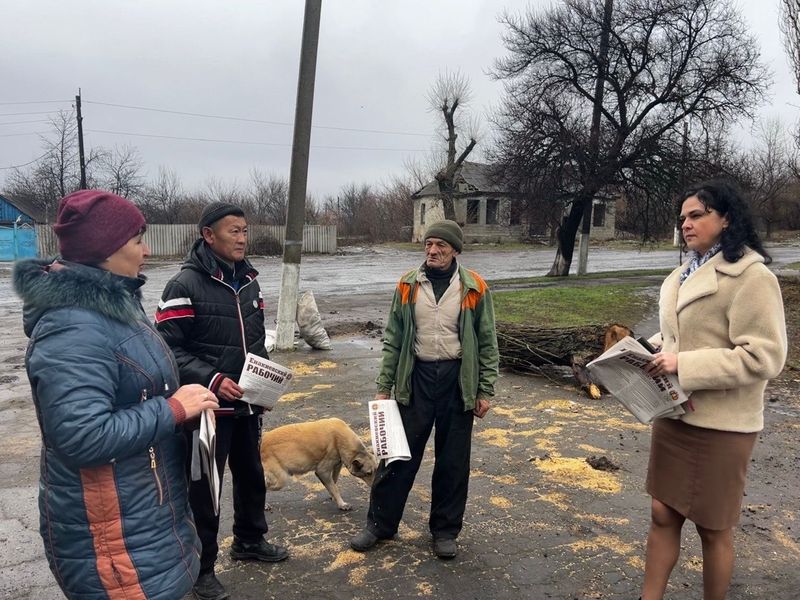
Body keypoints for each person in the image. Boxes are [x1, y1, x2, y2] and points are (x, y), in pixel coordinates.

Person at [13, 189, 218, 600]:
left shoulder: (115, 305)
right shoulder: (73, 327)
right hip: (111, 532)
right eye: (137, 240)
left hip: (146, 511)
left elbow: (139, 388)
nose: (146, 251)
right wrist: (174, 409)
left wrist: (187, 404)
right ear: (105, 249)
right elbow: (80, 435)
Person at [640, 179, 787, 600]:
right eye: (683, 216)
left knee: (712, 527)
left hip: (724, 425)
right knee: (662, 512)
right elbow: (679, 336)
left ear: (725, 218)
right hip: (676, 414)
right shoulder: (683, 273)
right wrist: (645, 350)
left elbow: (764, 357)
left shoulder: (752, 277)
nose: (686, 224)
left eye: (697, 215)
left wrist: (682, 364)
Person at [155, 202, 288, 600]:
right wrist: (213, 380)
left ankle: (249, 541)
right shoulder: (183, 285)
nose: (242, 238)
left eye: (245, 230)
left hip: (246, 407)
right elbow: (166, 351)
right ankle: (201, 569)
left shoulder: (250, 282)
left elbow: (257, 342)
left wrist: (264, 387)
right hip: (206, 411)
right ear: (208, 235)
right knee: (204, 491)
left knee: (251, 477)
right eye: (234, 231)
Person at [350, 219, 499, 559]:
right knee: (397, 456)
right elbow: (393, 339)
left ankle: (445, 532)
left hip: (457, 381)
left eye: (440, 246)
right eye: (429, 244)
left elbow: (488, 342)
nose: (432, 251)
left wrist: (485, 390)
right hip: (415, 379)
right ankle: (379, 525)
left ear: (455, 251)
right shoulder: (407, 285)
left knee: (453, 462)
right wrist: (383, 387)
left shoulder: (475, 287)